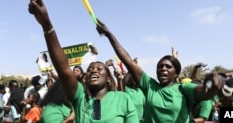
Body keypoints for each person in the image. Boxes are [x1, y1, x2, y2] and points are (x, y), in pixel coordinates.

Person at [28, 0, 139, 123]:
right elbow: (63, 69)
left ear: (109, 79)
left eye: (99, 69)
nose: (93, 71)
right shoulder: (80, 97)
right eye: (90, 69)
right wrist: (47, 26)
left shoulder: (123, 99)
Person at [95, 19, 224, 123]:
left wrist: (212, 84)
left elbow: (205, 93)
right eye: (160, 66)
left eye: (168, 67)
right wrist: (109, 34)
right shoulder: (150, 85)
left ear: (176, 73)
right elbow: (128, 61)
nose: (163, 69)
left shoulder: (184, 89)